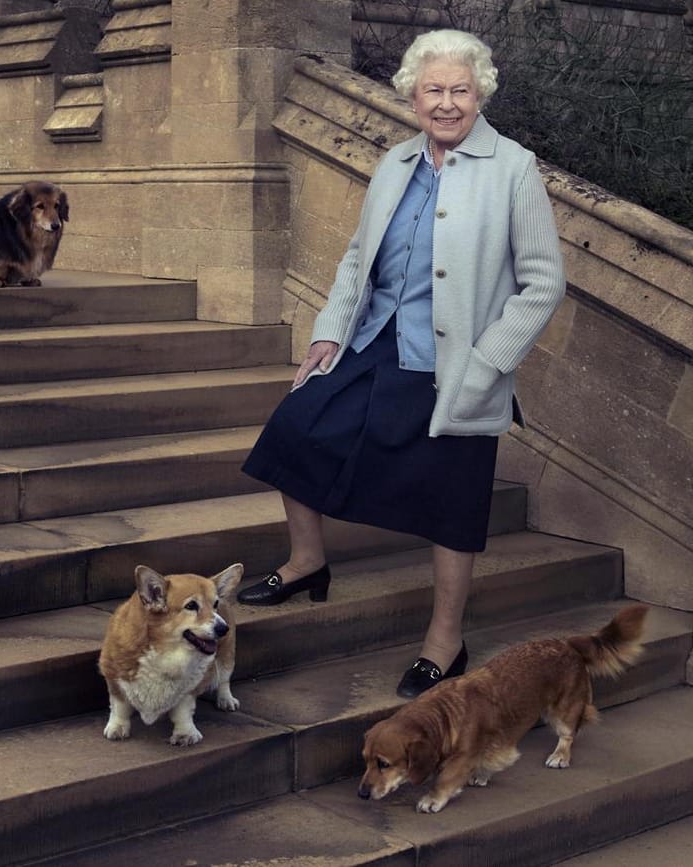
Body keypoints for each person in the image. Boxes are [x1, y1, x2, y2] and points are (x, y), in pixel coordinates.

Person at [238, 29, 565, 699]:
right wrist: (329, 332)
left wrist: (490, 362)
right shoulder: (395, 164)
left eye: (459, 91)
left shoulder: (513, 168)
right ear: (412, 95)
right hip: (377, 340)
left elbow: (543, 282)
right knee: (295, 429)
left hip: (457, 364)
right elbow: (359, 259)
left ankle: (445, 640)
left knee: (452, 500)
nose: (445, 103)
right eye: (433, 91)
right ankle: (306, 562)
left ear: (481, 95)